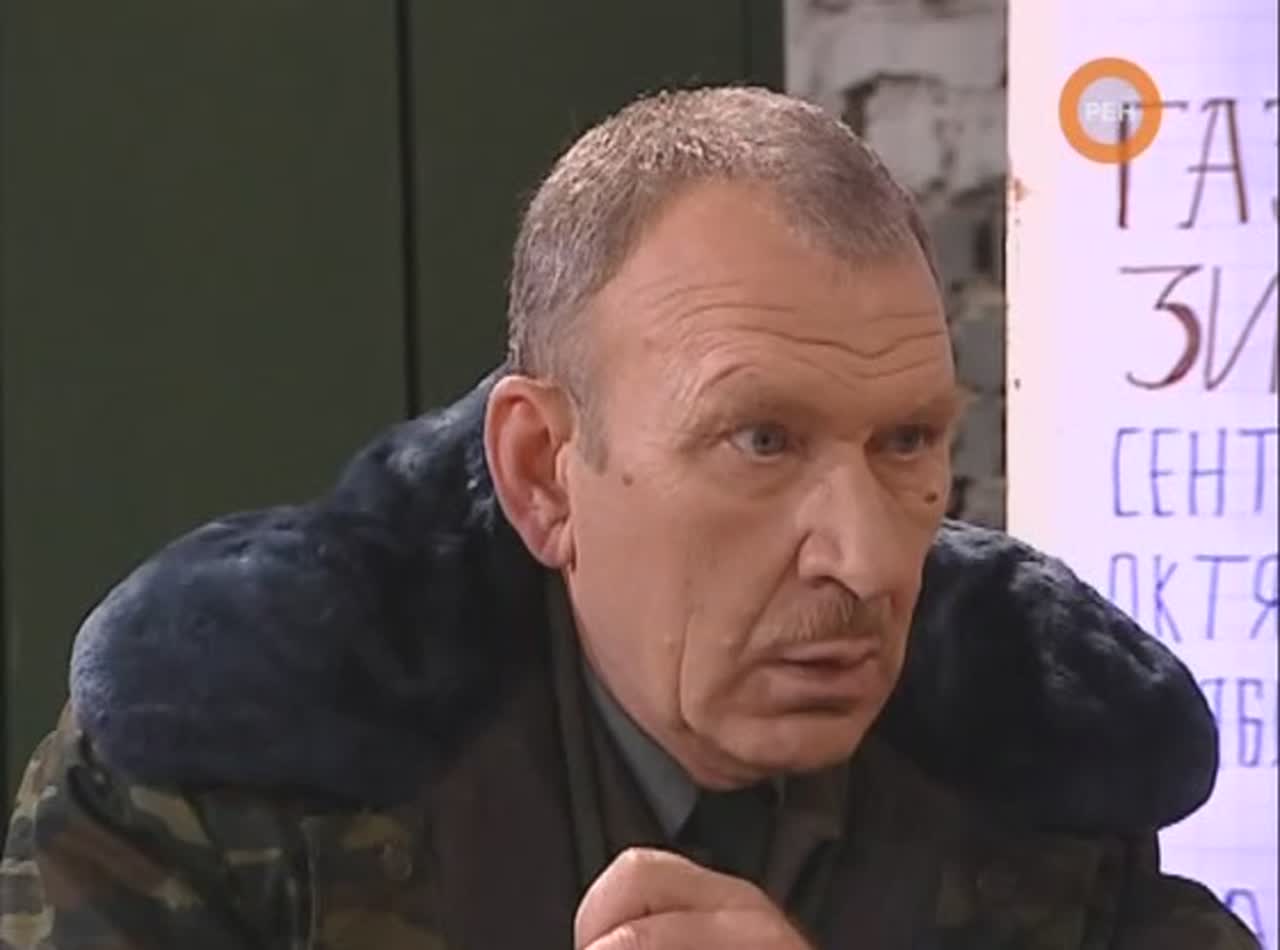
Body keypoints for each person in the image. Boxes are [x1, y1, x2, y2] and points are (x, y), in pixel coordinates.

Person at [0, 86, 1258, 950]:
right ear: (544, 473)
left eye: (906, 442)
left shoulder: (1035, 756)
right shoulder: (235, 758)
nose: (869, 558)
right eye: (760, 440)